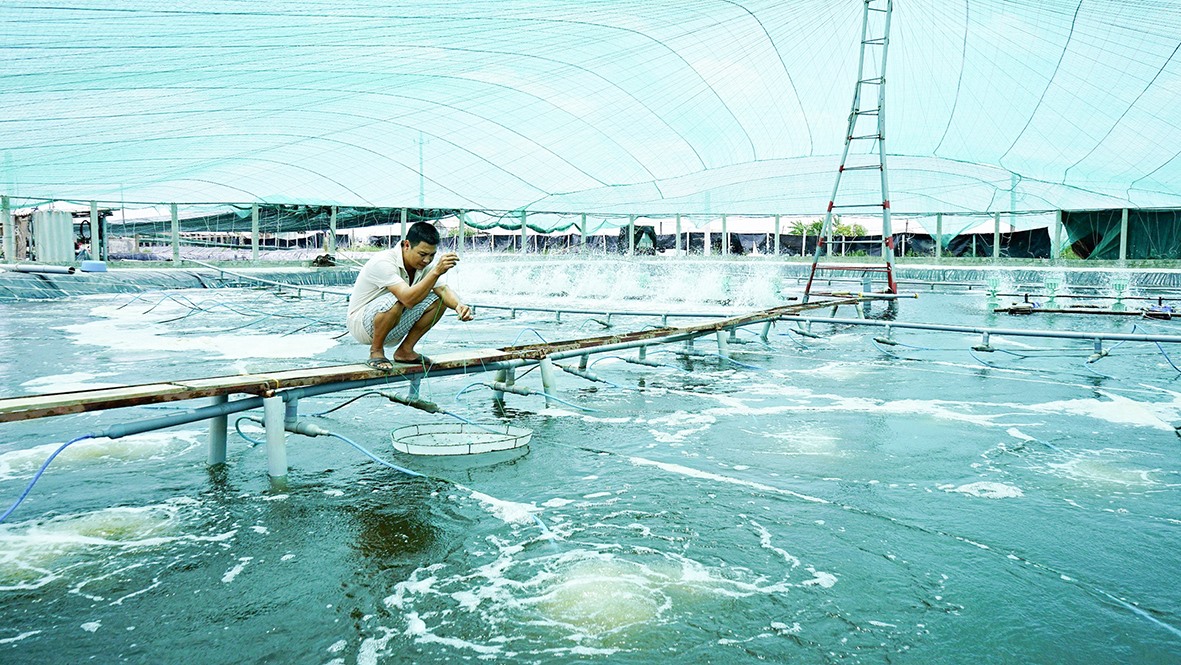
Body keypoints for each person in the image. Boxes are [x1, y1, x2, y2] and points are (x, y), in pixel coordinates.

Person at [346, 221, 473, 370]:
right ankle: (376, 351)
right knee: (398, 299)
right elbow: (407, 299)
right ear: (407, 245)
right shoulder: (383, 261)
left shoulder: (426, 265)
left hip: (393, 322)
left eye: (432, 255)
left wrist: (459, 305)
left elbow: (442, 289)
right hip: (362, 325)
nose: (427, 260)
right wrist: (436, 271)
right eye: (422, 254)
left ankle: (405, 351)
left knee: (440, 300)